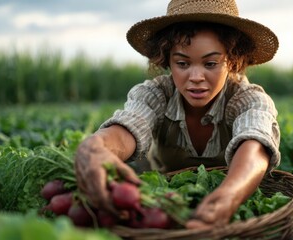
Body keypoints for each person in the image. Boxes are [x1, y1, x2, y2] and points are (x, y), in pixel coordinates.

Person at [75, 0, 280, 229]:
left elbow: (255, 145)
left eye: (210, 63)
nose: (195, 76)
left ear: (231, 62)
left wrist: (230, 194)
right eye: (182, 63)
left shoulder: (246, 98)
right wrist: (97, 146)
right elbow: (127, 127)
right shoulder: (156, 94)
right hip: (162, 203)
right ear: (167, 61)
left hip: (231, 205)